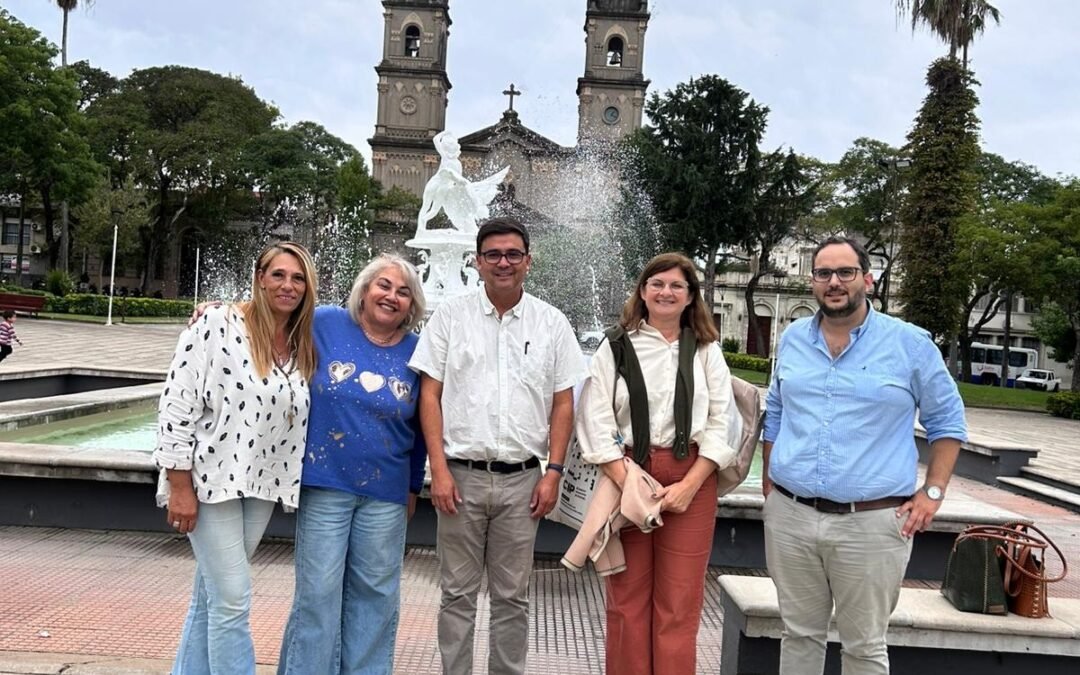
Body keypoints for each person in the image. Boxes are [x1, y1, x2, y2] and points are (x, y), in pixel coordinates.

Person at [762, 235, 967, 675]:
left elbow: (948, 423)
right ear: (812, 281)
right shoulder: (793, 339)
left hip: (871, 523)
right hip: (791, 517)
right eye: (823, 273)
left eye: (845, 272)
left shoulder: (910, 345)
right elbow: (775, 411)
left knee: (865, 647)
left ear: (867, 280)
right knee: (798, 635)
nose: (834, 282)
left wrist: (932, 493)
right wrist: (770, 482)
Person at [409, 217, 586, 675]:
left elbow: (563, 403)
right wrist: (439, 471)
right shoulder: (450, 317)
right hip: (459, 477)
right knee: (457, 594)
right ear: (477, 262)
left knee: (512, 596)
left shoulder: (552, 323)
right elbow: (429, 394)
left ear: (528, 261)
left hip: (524, 481)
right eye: (493, 255)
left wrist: (554, 472)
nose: (503, 263)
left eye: (512, 254)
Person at [154, 241, 317, 675]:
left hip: (261, 483)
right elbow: (176, 404)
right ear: (260, 278)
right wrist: (179, 485)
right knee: (232, 599)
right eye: (278, 274)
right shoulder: (218, 323)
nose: (288, 285)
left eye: (298, 277)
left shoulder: (304, 341)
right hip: (209, 482)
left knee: (211, 596)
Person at [575, 252, 736, 675]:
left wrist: (690, 485)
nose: (666, 292)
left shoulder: (706, 350)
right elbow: (595, 418)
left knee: (679, 604)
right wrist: (627, 479)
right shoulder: (614, 347)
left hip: (692, 480)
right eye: (657, 283)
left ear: (690, 297)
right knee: (627, 600)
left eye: (676, 286)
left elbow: (722, 422)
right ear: (643, 292)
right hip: (627, 475)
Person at [277, 254, 428, 675]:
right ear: (364, 290)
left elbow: (422, 426)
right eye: (383, 285)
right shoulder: (325, 323)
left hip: (387, 494)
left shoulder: (419, 352)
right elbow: (270, 318)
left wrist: (413, 487)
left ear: (412, 305)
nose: (391, 296)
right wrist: (221, 310)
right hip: (325, 485)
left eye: (402, 292)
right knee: (317, 596)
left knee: (376, 597)